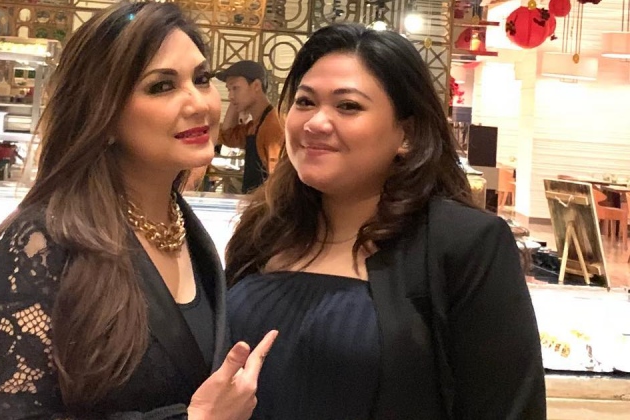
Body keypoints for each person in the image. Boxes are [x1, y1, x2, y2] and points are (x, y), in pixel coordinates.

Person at [0, 3, 276, 419]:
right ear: (103, 112)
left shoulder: (186, 233)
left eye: (201, 79)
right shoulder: (45, 245)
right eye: (162, 86)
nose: (199, 103)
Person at [225, 23, 546, 419]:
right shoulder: (264, 228)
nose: (315, 122)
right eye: (305, 102)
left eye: (348, 106)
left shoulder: (464, 244)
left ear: (406, 134)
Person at [215, 60, 284, 193]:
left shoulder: (273, 125)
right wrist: (236, 102)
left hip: (266, 202)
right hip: (255, 201)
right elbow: (228, 136)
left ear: (256, 85)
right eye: (229, 90)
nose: (230, 96)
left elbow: (278, 180)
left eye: (235, 88)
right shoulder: (255, 125)